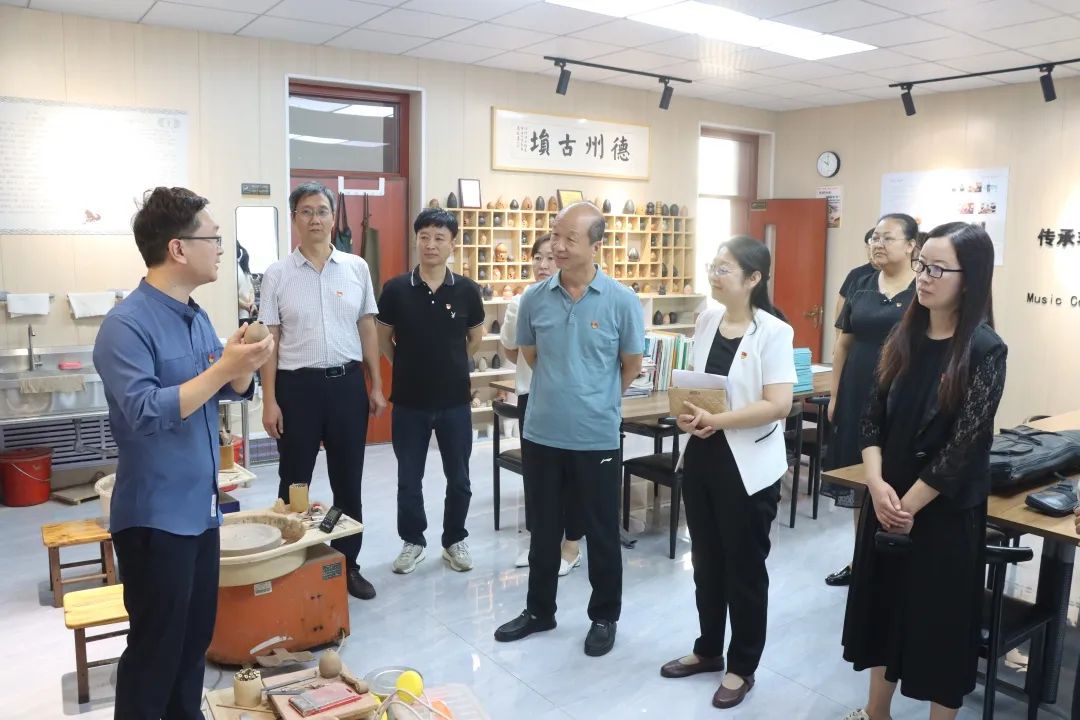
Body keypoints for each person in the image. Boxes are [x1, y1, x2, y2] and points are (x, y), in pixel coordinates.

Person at [94, 187, 274, 719]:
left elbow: (221, 389)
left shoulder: (194, 316)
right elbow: (145, 411)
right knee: (156, 651)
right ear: (177, 248)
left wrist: (241, 366)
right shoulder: (125, 325)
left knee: (193, 642)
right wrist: (223, 369)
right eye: (213, 238)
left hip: (200, 510)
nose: (220, 248)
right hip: (155, 518)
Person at [842, 222, 1006, 720]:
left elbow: (963, 448)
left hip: (941, 511)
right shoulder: (902, 335)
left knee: (939, 627)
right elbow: (870, 419)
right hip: (887, 497)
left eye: (938, 269)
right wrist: (876, 486)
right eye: (922, 266)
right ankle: (875, 713)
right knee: (882, 611)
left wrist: (905, 506)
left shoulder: (984, 349)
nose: (924, 277)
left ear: (969, 278)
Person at [493, 202, 644, 658]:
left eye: (568, 239)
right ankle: (539, 611)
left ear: (596, 245)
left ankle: (604, 615)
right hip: (542, 431)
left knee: (601, 530)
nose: (557, 246)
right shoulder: (535, 298)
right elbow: (531, 355)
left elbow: (631, 365)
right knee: (542, 529)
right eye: (555, 236)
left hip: (597, 435)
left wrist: (595, 398)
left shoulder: (621, 300)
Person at [658, 236, 796, 710]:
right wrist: (688, 416)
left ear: (754, 278)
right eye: (713, 266)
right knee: (707, 562)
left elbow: (778, 404)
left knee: (744, 569)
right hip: (702, 458)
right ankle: (708, 649)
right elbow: (699, 387)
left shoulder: (774, 332)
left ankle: (742, 665)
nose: (714, 275)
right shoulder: (707, 320)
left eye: (725, 268)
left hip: (748, 467)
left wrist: (718, 421)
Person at [258, 182, 385, 600]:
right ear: (295, 219)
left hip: (347, 385)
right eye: (306, 211)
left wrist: (376, 384)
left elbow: (367, 326)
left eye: (322, 211)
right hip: (297, 389)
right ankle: (291, 564)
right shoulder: (277, 274)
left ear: (333, 217)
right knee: (294, 481)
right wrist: (270, 400)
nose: (315, 218)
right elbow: (270, 340)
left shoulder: (356, 267)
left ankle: (348, 565)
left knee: (348, 482)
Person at [377, 208, 485, 574]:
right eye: (424, 236)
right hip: (409, 403)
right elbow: (384, 339)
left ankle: (454, 540)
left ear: (452, 244)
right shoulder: (396, 289)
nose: (431, 244)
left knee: (460, 479)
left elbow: (474, 339)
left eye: (440, 238)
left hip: (455, 402)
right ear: (416, 241)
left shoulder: (467, 290)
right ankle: (413, 541)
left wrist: (450, 364)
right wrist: (407, 366)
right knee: (409, 480)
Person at [822, 214, 918, 587]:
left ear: (911, 245)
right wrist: (836, 395)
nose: (878, 244)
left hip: (901, 396)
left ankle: (896, 562)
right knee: (862, 479)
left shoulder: (922, 288)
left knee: (897, 476)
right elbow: (843, 344)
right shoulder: (861, 285)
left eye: (887, 238)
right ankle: (861, 561)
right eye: (874, 237)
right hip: (857, 392)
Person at [500, 233, 583, 575]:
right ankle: (540, 543)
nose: (543, 264)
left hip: (572, 397)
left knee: (572, 474)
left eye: (550, 257)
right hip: (531, 395)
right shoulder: (522, 301)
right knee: (537, 475)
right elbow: (510, 350)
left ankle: (571, 546)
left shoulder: (578, 299)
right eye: (538, 257)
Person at [237, 241, 256, 325]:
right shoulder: (236, 268)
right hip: (242, 314)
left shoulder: (241, 267)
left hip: (245, 314)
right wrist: (246, 305)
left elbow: (251, 289)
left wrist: (251, 304)